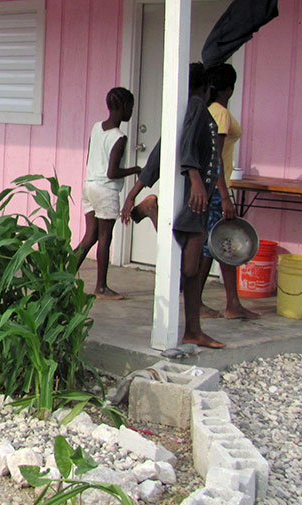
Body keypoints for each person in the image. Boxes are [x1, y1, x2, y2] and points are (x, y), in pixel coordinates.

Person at [121, 63, 227, 348]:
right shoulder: (195, 105)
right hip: (195, 199)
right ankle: (152, 210)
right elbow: (187, 146)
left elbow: (160, 149)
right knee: (188, 270)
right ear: (206, 89)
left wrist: (136, 188)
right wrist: (194, 179)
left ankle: (193, 330)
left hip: (196, 199)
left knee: (188, 271)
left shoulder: (184, 109)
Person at [200, 64, 259, 319]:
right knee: (215, 245)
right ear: (230, 88)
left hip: (214, 186)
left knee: (220, 244)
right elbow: (216, 156)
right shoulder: (220, 113)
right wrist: (225, 195)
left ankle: (231, 302)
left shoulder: (209, 110)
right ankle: (203, 301)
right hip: (216, 187)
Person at [75, 87, 141, 299]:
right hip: (105, 190)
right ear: (122, 107)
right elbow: (112, 172)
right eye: (130, 106)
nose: (131, 110)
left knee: (89, 236)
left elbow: (89, 160)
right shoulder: (119, 137)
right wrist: (136, 170)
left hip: (89, 185)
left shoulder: (96, 128)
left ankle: (64, 276)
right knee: (104, 238)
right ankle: (101, 287)